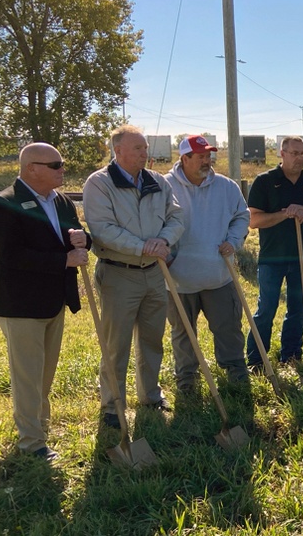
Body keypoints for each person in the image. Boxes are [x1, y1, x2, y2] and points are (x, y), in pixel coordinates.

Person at [0, 143, 91, 461]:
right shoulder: (4, 204)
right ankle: (31, 444)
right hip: (20, 303)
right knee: (28, 376)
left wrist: (84, 240)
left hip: (53, 300)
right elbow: (12, 256)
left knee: (44, 374)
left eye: (62, 164)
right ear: (31, 168)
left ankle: (38, 431)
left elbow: (76, 234)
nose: (62, 170)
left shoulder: (60, 199)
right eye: (55, 165)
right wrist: (64, 261)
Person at [83, 125, 184, 428]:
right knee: (116, 344)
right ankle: (113, 407)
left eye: (145, 147)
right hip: (119, 274)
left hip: (155, 272)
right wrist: (143, 246)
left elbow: (176, 216)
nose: (145, 153)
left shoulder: (157, 181)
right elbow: (103, 229)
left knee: (153, 339)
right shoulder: (99, 184)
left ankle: (150, 396)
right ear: (119, 151)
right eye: (138, 148)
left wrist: (163, 241)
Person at [165, 135, 251, 393]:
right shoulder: (164, 187)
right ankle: (187, 378)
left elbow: (241, 216)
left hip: (218, 274)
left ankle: (235, 370)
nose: (207, 160)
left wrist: (233, 241)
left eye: (209, 155)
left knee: (228, 327)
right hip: (178, 279)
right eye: (200, 156)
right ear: (185, 158)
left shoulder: (226, 187)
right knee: (183, 334)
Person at [245, 136, 303, 369]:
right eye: (294, 153)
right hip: (272, 258)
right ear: (281, 154)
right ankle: (256, 360)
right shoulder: (264, 181)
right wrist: (285, 213)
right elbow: (254, 220)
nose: (299, 158)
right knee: (266, 309)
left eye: (302, 153)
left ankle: (291, 357)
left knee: (298, 310)